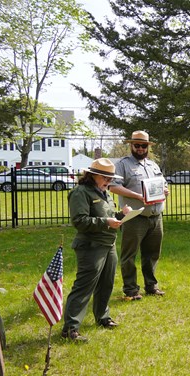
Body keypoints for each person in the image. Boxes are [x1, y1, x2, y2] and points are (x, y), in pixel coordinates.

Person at [62, 158, 131, 342]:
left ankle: (103, 317)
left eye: (110, 178)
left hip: (108, 245)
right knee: (84, 287)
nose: (108, 181)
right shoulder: (80, 193)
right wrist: (106, 222)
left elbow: (107, 216)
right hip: (90, 247)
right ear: (92, 175)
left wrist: (121, 215)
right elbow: (80, 221)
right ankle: (70, 329)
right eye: (105, 177)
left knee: (106, 284)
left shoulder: (104, 193)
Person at [109, 131, 168, 300]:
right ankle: (131, 289)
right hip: (135, 217)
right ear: (131, 146)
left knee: (152, 254)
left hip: (155, 217)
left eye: (144, 145)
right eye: (137, 145)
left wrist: (165, 191)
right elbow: (113, 187)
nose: (141, 148)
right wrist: (137, 196)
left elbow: (162, 184)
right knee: (129, 255)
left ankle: (152, 286)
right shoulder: (123, 165)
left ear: (148, 147)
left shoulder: (153, 165)